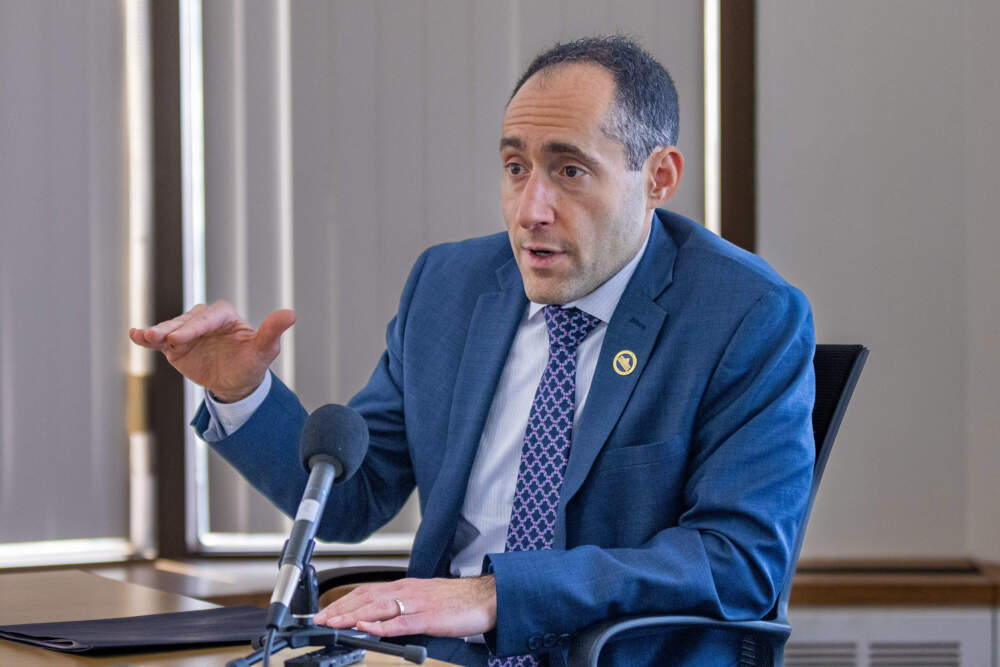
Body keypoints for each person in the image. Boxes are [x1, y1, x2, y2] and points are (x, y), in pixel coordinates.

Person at [130, 36, 815, 666]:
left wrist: (493, 595)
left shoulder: (745, 314)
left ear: (659, 176)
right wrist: (241, 394)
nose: (530, 209)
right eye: (516, 167)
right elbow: (352, 498)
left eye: (570, 170)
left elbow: (738, 560)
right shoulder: (449, 287)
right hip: (435, 657)